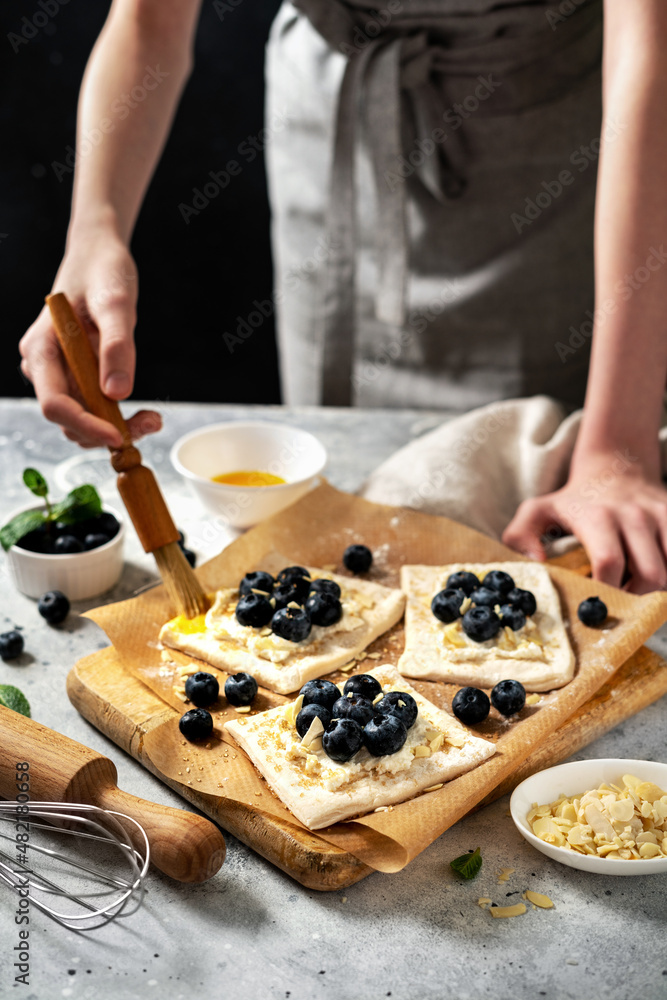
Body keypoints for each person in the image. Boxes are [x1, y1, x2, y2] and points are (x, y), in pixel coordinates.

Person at [18, 0, 667, 595]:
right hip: (335, 123)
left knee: (530, 505)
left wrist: (617, 449)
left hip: (552, 142)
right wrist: (93, 229)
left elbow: (646, 50)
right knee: (348, 524)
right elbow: (149, 22)